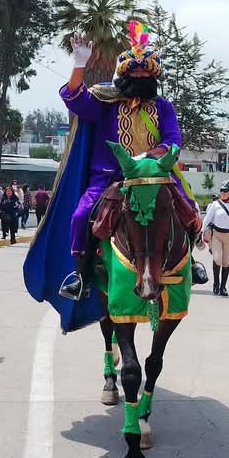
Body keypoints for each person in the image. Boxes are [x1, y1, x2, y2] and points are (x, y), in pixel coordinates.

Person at [56, 26, 204, 301]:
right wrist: (79, 65)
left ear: (153, 76)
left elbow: (173, 141)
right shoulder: (106, 103)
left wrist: (148, 157)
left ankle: (191, 264)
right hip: (110, 177)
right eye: (134, 72)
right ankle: (81, 275)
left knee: (190, 213)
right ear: (123, 75)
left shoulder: (163, 107)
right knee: (80, 216)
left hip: (155, 175)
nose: (139, 76)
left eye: (145, 73)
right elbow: (74, 97)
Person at [202, 180, 229, 296]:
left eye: (225, 191)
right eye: (221, 190)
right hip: (216, 235)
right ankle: (216, 284)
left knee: (226, 262)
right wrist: (201, 231)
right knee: (217, 258)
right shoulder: (215, 205)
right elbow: (207, 218)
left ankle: (223, 287)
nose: (222, 193)